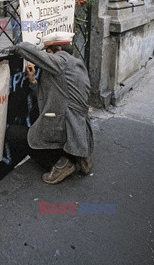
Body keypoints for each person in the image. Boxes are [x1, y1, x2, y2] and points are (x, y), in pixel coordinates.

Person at [7, 31, 94, 185]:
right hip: (77, 127)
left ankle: (61, 164)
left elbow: (33, 53)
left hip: (65, 123)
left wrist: (18, 47)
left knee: (16, 134)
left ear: (59, 50)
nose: (46, 56)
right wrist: (33, 81)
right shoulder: (74, 63)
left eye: (48, 52)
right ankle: (78, 153)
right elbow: (55, 93)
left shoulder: (61, 60)